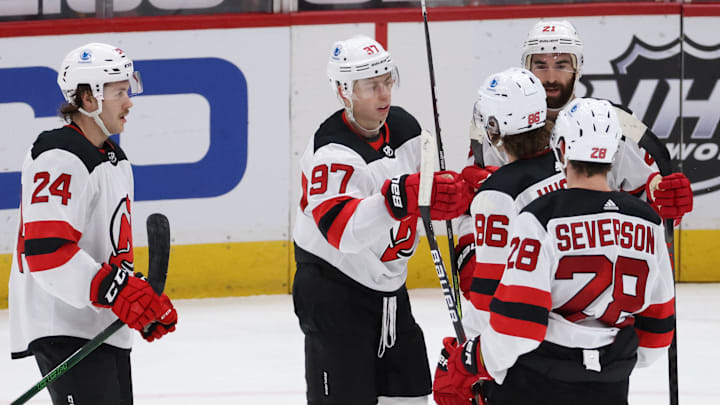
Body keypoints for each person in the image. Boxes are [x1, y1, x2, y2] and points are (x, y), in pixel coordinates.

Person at [438, 98, 676, 405]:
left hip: (536, 382)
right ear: (615, 152)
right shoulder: (647, 221)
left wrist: (472, 360)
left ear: (561, 148)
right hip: (612, 384)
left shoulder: (540, 217)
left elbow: (519, 325)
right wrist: (609, 362)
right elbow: (657, 330)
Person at [292, 34, 473, 405]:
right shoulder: (331, 151)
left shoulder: (406, 128)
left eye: (387, 80)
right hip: (334, 293)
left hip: (391, 293)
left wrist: (454, 196)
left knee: (412, 397)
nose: (384, 94)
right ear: (344, 91)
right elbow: (341, 232)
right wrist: (396, 198)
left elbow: (424, 196)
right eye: (371, 86)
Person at [9, 43, 178, 404]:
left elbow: (106, 249)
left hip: (98, 326)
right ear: (88, 99)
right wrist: (118, 292)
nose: (129, 102)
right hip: (64, 326)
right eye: (119, 93)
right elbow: (47, 253)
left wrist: (137, 298)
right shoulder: (58, 156)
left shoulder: (112, 156)